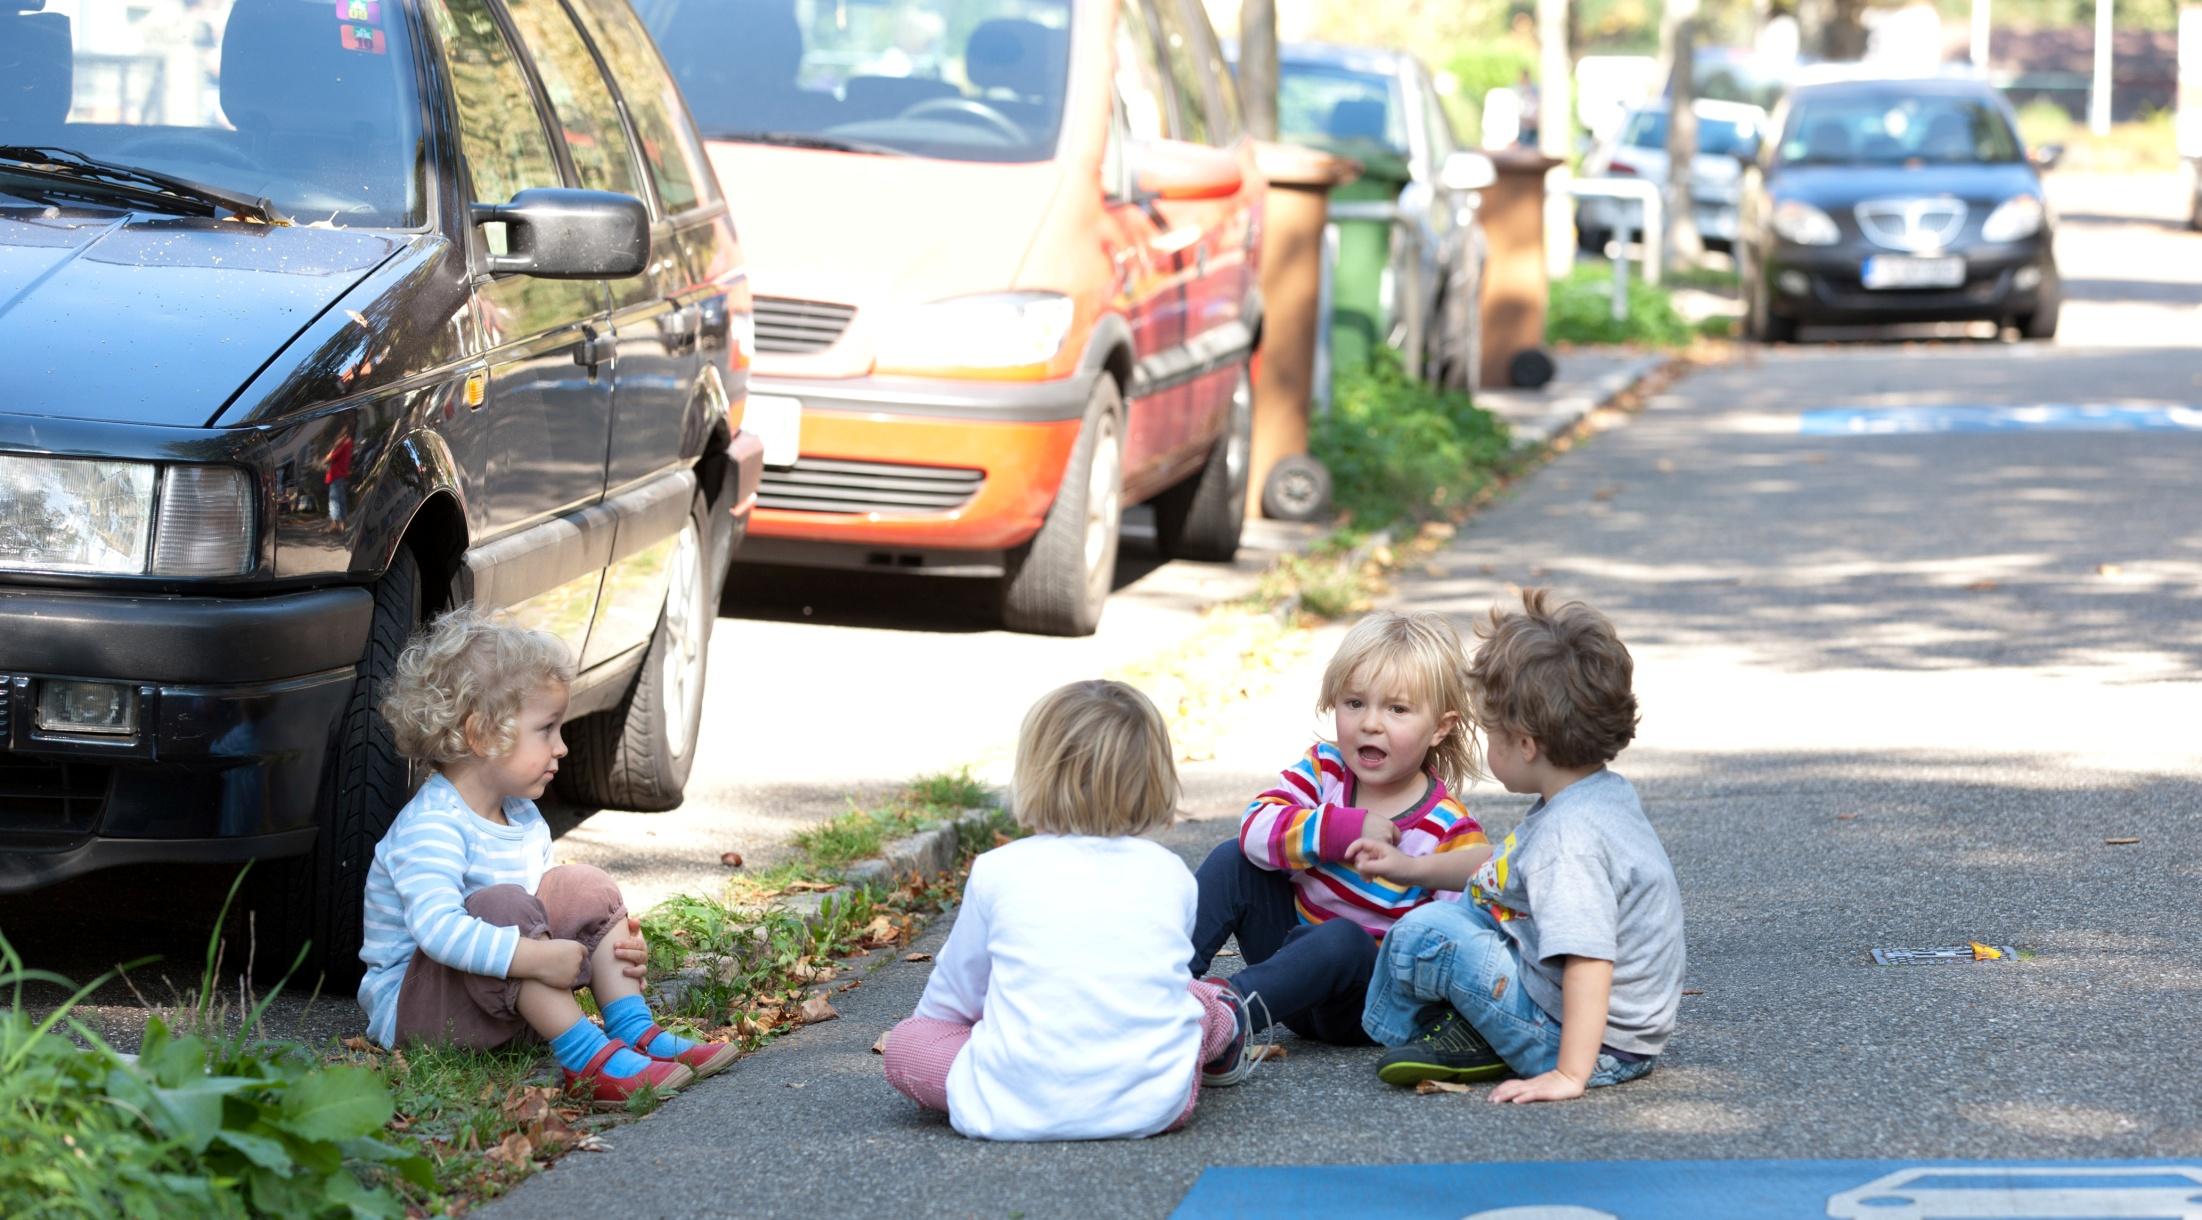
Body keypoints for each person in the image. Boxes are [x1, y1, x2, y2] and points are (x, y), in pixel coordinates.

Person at [356, 609, 735, 1105]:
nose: (562, 748)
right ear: (482, 734)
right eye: (547, 729)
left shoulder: (522, 816)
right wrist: (535, 956)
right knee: (503, 907)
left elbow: (547, 918)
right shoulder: (431, 825)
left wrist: (606, 955)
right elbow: (438, 930)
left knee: (581, 885)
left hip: (497, 1002)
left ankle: (632, 1028)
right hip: (421, 1012)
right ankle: (585, 1060)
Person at [1353, 589, 1684, 1102]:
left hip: (1580, 1042)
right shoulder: (1592, 796)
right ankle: (1473, 1028)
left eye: (1490, 732)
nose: (1487, 745)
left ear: (1525, 744)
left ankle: (1410, 1033)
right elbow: (1501, 867)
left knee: (1425, 933)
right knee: (1465, 909)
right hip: (1599, 1030)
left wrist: (1570, 1074)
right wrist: (1412, 868)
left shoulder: (1567, 843)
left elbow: (1588, 958)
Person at [880, 680, 1247, 1140]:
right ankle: (1228, 1021)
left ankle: (1024, 1075)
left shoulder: (998, 870)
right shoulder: (1169, 872)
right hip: (1155, 1105)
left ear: (1033, 773)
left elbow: (949, 1003)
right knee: (1193, 997)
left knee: (908, 1044)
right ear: (1153, 779)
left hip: (1008, 1106)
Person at [1187, 611, 1487, 1077]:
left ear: (1440, 728)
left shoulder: (1447, 828)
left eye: (1397, 709)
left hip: (1363, 1003)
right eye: (1354, 703)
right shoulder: (1324, 770)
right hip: (1289, 970)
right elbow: (1255, 829)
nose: (1370, 724)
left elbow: (1468, 931)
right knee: (1233, 859)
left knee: (1343, 938)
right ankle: (1158, 986)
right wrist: (1342, 829)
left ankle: (1223, 1018)